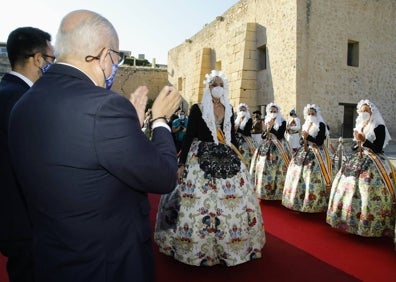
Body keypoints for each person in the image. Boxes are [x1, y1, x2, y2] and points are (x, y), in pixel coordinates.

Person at [8, 10, 181, 282]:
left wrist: (130, 129)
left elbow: (86, 158)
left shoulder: (23, 104)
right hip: (106, 265)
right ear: (103, 56)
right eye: (116, 59)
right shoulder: (105, 107)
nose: (115, 67)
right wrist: (159, 120)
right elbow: (164, 176)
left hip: (52, 258)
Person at [154, 70, 265, 267]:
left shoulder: (229, 108)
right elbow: (188, 137)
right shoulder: (197, 108)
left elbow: (230, 137)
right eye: (214, 84)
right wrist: (182, 164)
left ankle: (232, 246)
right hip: (199, 156)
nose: (217, 87)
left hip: (226, 157)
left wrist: (240, 160)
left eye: (220, 84)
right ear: (208, 87)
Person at [0, 26, 54, 282]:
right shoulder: (25, 101)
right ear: (38, 59)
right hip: (27, 221)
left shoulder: (6, 93)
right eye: (51, 59)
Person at [327, 99, 395, 237]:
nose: (364, 113)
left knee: (367, 189)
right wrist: (358, 143)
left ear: (372, 111)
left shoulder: (378, 126)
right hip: (359, 157)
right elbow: (356, 144)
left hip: (374, 161)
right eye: (362, 111)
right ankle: (347, 219)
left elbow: (378, 147)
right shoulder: (361, 124)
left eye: (366, 110)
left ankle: (370, 223)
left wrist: (364, 140)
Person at [282, 104, 332, 213]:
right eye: (309, 114)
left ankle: (315, 202)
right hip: (305, 151)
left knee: (312, 176)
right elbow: (301, 139)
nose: (310, 116)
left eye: (312, 114)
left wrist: (307, 137)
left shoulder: (321, 125)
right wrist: (303, 139)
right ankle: (298, 200)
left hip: (317, 153)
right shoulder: (306, 124)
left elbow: (319, 141)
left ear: (317, 114)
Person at [249, 103, 291, 200]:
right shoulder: (266, 120)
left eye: (274, 111)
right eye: (271, 111)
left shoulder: (283, 122)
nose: (273, 113)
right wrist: (267, 129)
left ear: (278, 112)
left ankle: (278, 192)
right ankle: (263, 190)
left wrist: (270, 128)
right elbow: (263, 136)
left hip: (279, 147)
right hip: (266, 146)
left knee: (278, 169)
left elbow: (280, 135)